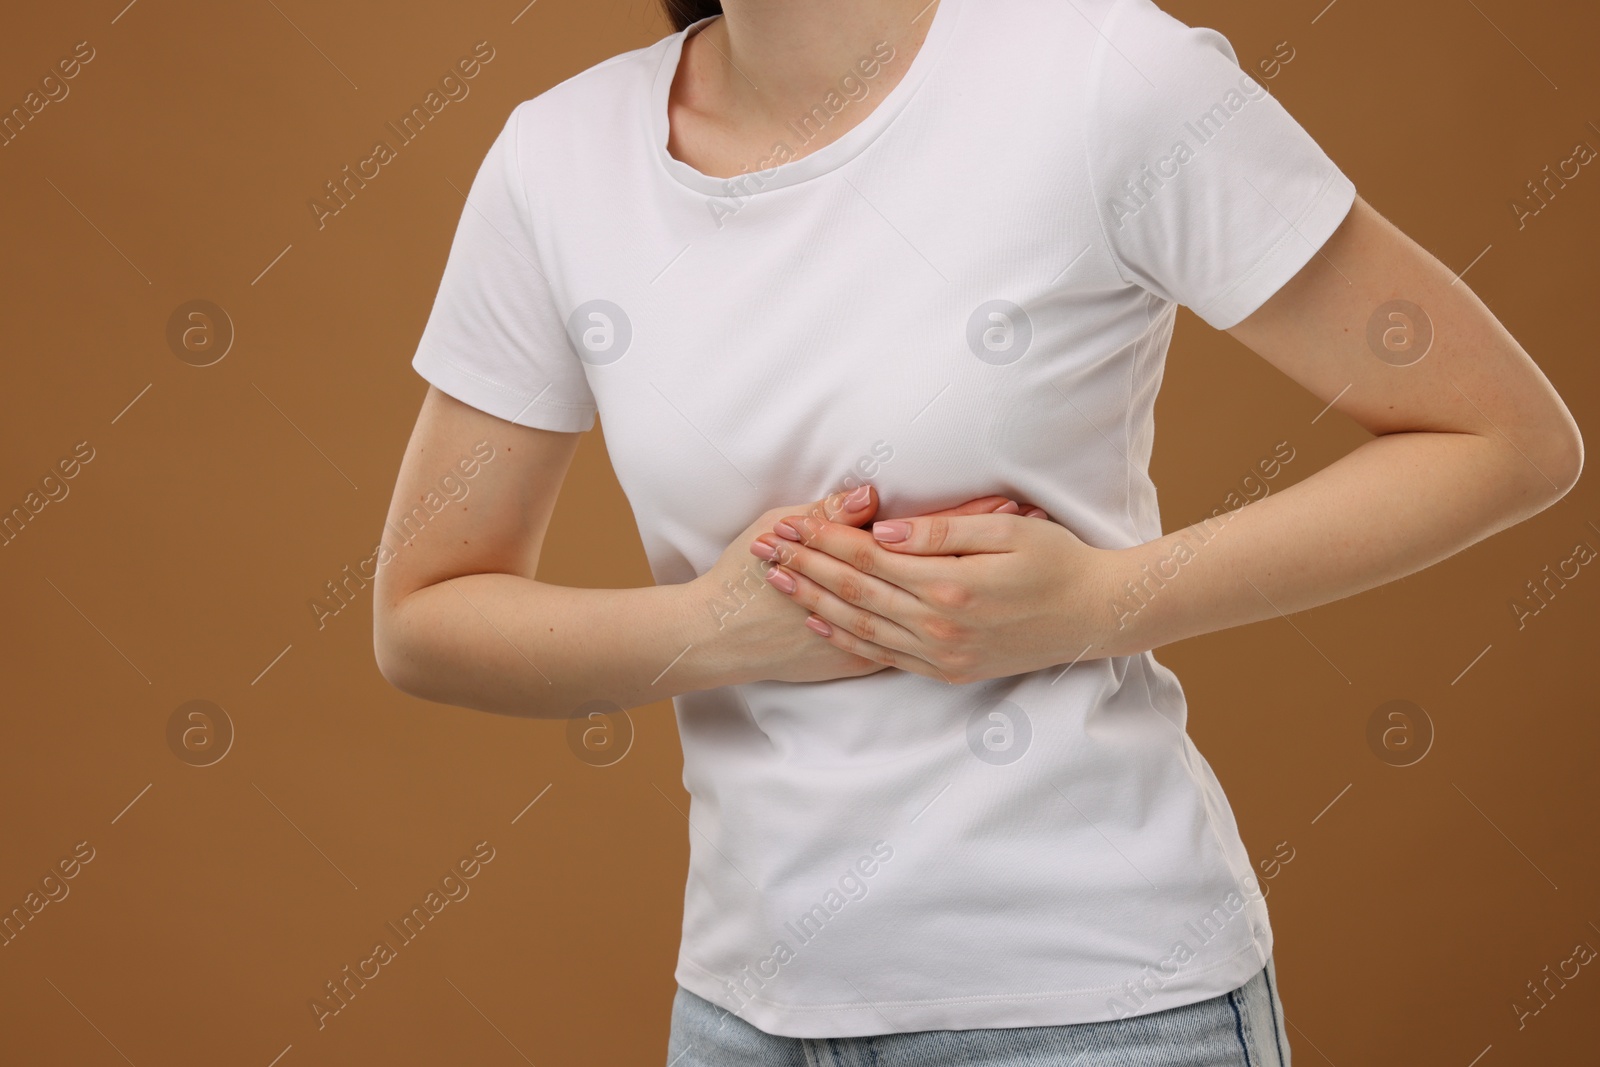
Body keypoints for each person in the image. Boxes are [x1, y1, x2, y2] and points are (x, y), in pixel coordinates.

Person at [372, 0, 1584, 1063]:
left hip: (1101, 1011)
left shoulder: (1105, 72)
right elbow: (426, 614)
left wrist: (1103, 600)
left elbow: (1504, 438)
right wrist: (716, 628)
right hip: (746, 1013)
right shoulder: (557, 159)